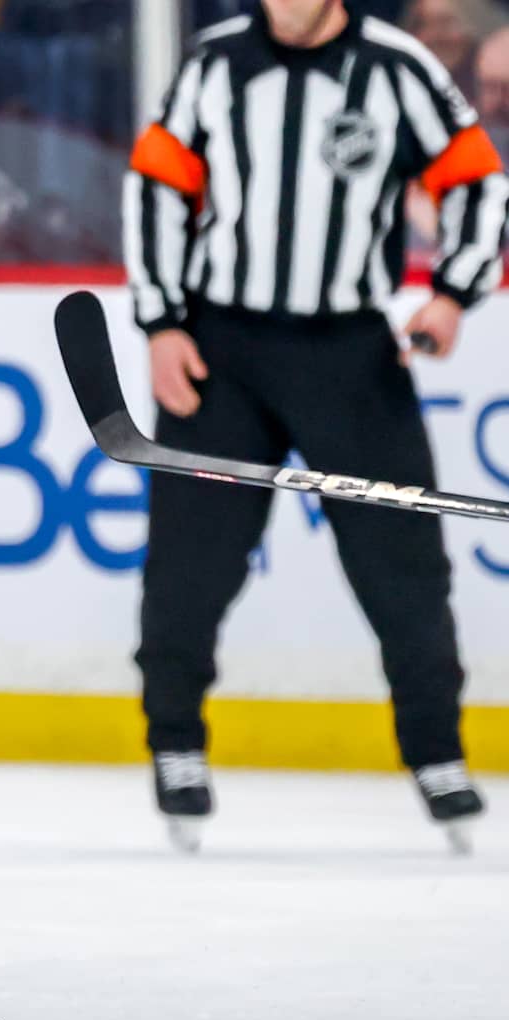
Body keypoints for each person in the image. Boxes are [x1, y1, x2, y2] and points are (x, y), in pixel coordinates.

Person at [123, 0, 505, 852]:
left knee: (405, 568)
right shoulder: (213, 64)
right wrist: (162, 325)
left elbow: (476, 179)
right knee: (189, 562)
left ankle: (437, 753)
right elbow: (156, 187)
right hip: (221, 351)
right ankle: (176, 742)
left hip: (352, 354)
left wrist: (452, 293)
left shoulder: (398, 68)